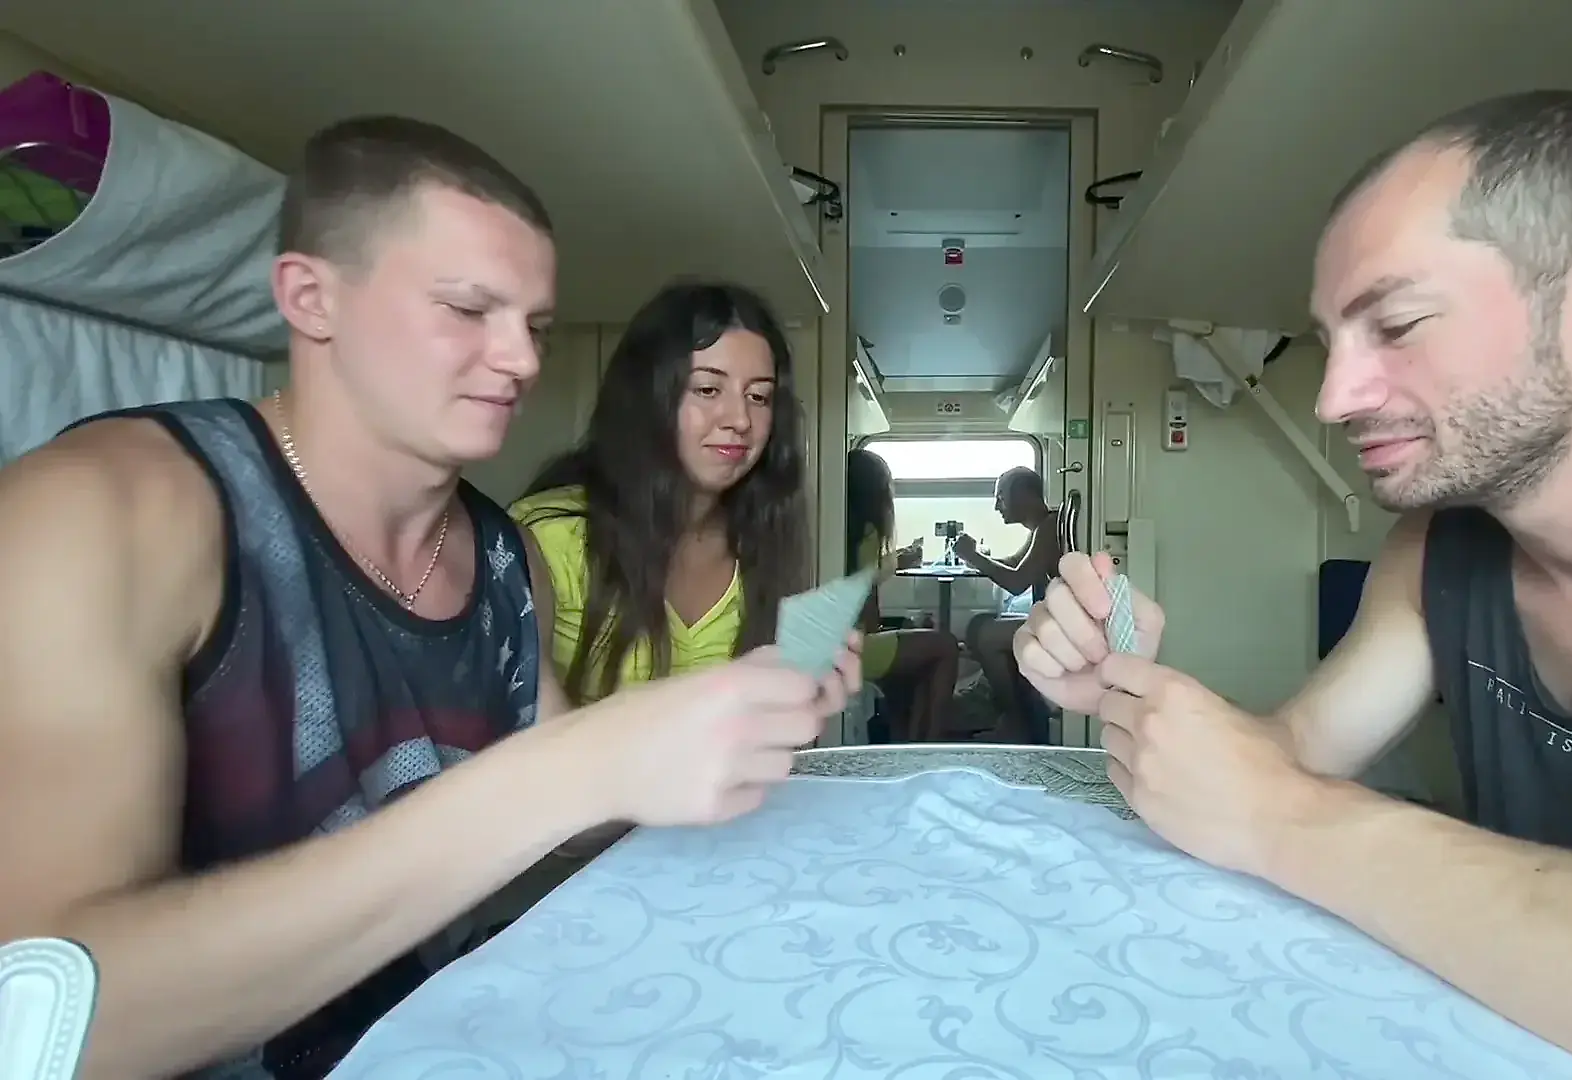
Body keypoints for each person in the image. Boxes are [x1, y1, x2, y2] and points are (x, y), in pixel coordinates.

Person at [1014, 89, 1572, 1078]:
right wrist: (1132, 683)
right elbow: (1287, 756)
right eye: (1331, 342)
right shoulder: (1436, 549)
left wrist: (1294, 819)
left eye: (1397, 324)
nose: (1334, 398)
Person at [0, 117, 854, 1080]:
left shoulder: (505, 561)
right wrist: (570, 769)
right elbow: (39, 1017)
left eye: (534, 326)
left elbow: (572, 823)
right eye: (467, 309)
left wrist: (719, 720)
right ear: (311, 297)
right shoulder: (101, 512)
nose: (523, 359)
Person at [510, 282, 813, 704]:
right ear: (648, 396)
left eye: (759, 397)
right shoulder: (549, 537)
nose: (740, 419)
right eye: (708, 390)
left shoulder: (763, 543)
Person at [846, 447, 961, 741]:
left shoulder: (843, 529)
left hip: (838, 641)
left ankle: (908, 738)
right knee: (946, 646)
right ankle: (930, 742)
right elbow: (867, 609)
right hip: (852, 648)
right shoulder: (868, 532)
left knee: (915, 642)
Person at [954, 465, 1060, 734]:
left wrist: (974, 557)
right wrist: (977, 558)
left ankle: (1014, 720)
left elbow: (1017, 582)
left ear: (1023, 494)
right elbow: (1014, 563)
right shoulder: (1041, 528)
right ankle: (1009, 709)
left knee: (985, 636)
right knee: (978, 624)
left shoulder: (1050, 527)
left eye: (1001, 498)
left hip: (1059, 626)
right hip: (1048, 619)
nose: (996, 506)